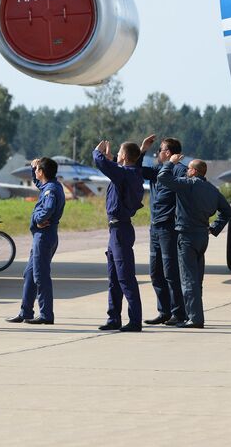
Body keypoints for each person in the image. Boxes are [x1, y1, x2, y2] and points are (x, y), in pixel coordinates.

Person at [157, 154, 231, 328]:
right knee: (196, 280)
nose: (186, 171)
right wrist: (214, 228)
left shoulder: (187, 185)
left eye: (189, 168)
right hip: (202, 236)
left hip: (187, 236)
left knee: (188, 279)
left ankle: (195, 319)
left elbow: (163, 177)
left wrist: (170, 163)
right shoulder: (212, 189)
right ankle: (194, 314)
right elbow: (227, 211)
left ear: (194, 171)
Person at [93, 140, 146, 332]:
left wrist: (97, 152)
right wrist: (111, 160)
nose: (117, 155)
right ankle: (113, 317)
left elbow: (101, 164)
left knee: (125, 277)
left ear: (123, 156)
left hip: (120, 230)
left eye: (119, 153)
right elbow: (115, 167)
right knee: (114, 278)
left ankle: (135, 320)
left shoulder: (125, 174)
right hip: (116, 230)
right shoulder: (130, 173)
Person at [6, 157, 65, 325]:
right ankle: (26, 312)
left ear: (42, 172)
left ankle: (46, 314)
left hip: (44, 235)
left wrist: (38, 219)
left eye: (37, 169)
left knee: (41, 275)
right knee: (30, 274)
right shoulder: (50, 185)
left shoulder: (50, 190)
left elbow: (48, 208)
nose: (36, 171)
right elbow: (40, 185)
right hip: (43, 236)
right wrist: (34, 168)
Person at [138, 135, 188, 326]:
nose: (157, 153)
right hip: (155, 227)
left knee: (170, 272)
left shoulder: (180, 171)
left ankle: (179, 313)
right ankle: (164, 311)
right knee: (155, 271)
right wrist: (142, 150)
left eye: (159, 150)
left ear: (167, 153)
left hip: (169, 227)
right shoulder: (157, 170)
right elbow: (136, 170)